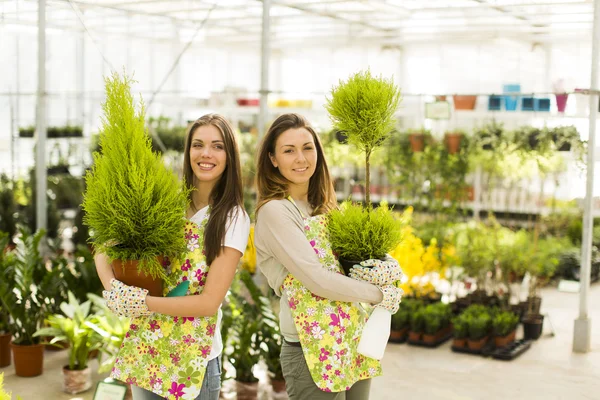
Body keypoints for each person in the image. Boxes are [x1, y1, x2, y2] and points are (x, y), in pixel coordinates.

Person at [96, 114, 250, 400]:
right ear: (188, 151)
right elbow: (104, 249)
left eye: (217, 146)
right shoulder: (165, 202)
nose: (206, 153)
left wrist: (141, 303)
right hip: (147, 347)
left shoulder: (232, 217)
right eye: (198, 145)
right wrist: (114, 290)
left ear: (230, 155)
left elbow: (208, 303)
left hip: (194, 362)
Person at [254, 113, 402, 400]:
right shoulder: (275, 211)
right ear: (272, 159)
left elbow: (358, 258)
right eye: (289, 150)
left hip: (352, 339)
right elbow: (317, 280)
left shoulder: (325, 207)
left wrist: (389, 268)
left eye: (308, 148)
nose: (301, 158)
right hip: (312, 348)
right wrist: (380, 294)